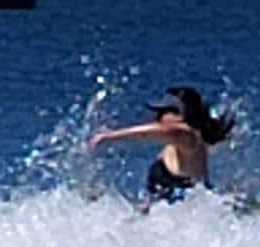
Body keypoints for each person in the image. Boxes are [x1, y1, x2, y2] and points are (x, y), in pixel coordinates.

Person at [89, 86, 235, 207]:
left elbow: (147, 134)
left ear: (181, 116)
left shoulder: (185, 135)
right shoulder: (190, 139)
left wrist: (107, 137)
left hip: (184, 210)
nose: (158, 118)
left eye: (163, 113)